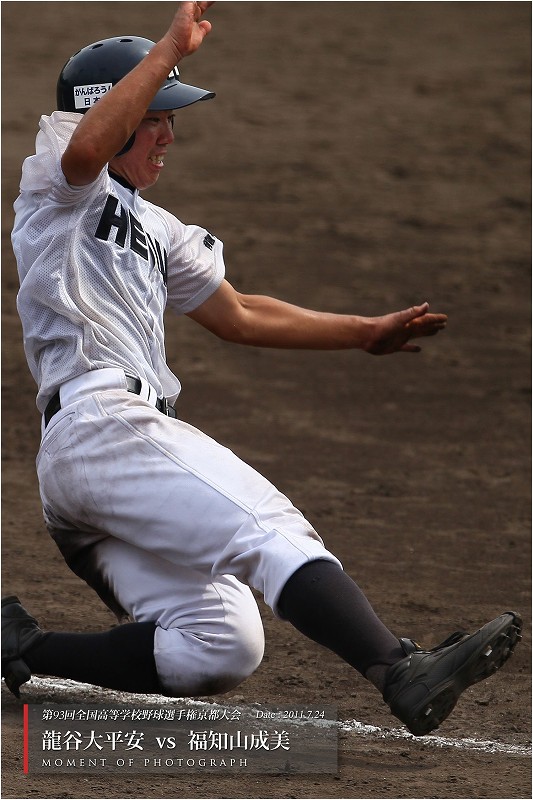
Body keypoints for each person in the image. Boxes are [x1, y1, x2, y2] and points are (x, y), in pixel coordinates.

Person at [3, 2, 521, 737]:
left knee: (222, 644)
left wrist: (360, 333)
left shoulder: (157, 227)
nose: (169, 134)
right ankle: (394, 666)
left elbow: (238, 313)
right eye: (155, 116)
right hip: (101, 427)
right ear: (116, 112)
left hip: (99, 461)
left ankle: (24, 650)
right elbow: (88, 149)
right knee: (267, 526)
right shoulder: (57, 188)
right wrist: (167, 49)